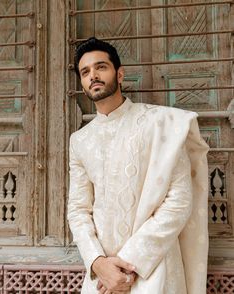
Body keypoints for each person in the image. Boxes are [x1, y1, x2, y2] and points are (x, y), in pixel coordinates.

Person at [68, 37, 209, 294]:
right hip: (102, 278)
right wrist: (98, 263)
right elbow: (78, 210)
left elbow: (179, 201)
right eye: (85, 72)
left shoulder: (161, 124)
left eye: (101, 67)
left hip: (154, 269)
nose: (93, 76)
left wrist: (127, 264)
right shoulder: (80, 141)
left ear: (119, 74)